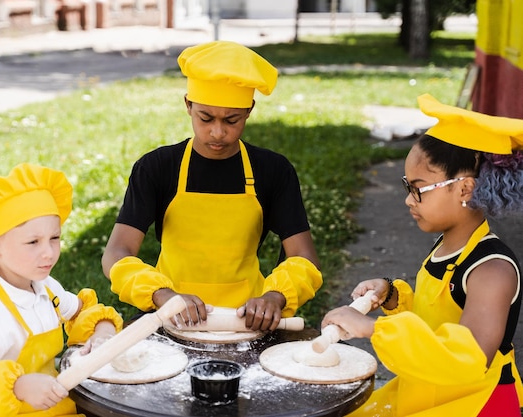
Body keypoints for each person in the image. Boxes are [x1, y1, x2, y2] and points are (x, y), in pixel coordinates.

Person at [321, 93, 523, 416]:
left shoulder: (493, 270)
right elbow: (434, 324)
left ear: (464, 189)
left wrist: (372, 329)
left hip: (473, 405)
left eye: (418, 188)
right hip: (428, 389)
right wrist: (390, 295)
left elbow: (467, 359)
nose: (408, 200)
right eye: (406, 187)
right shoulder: (447, 247)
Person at [101, 40, 322, 332]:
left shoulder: (273, 171)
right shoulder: (156, 168)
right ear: (188, 105)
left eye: (232, 120)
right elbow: (117, 253)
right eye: (205, 118)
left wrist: (274, 297)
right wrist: (161, 295)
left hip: (247, 322)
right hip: (172, 318)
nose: (218, 133)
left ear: (249, 111)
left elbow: (304, 257)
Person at [0, 163, 124, 417]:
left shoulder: (45, 288)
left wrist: (102, 330)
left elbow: (81, 311)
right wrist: (18, 387)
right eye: (33, 242)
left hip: (58, 407)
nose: (48, 253)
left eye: (55, 238)